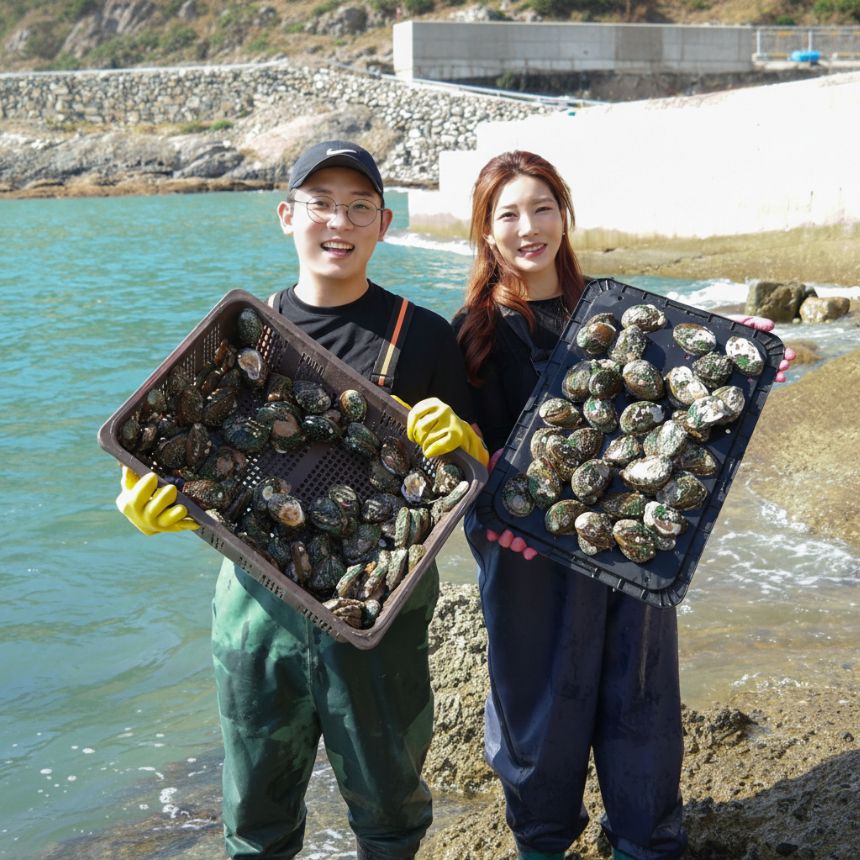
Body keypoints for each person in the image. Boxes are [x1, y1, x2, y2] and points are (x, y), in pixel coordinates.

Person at [116, 139, 488, 860]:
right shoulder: (237, 336)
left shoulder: (424, 337)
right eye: (320, 205)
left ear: (383, 224)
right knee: (256, 815)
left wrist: (465, 439)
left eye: (357, 208)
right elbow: (164, 434)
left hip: (385, 606)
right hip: (256, 611)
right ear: (287, 216)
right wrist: (135, 500)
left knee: (389, 811)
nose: (337, 223)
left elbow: (474, 464)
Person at [452, 150, 794, 860]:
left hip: (630, 554)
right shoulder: (472, 336)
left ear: (564, 214)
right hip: (529, 561)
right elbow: (465, 465)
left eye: (542, 208)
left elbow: (685, 403)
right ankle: (542, 844)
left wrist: (744, 352)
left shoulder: (615, 311)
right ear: (486, 232)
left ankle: (645, 842)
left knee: (640, 711)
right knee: (536, 717)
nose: (528, 227)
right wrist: (490, 528)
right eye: (507, 214)